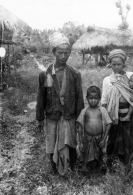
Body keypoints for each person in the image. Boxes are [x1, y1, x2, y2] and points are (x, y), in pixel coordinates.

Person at [36, 32, 84, 175]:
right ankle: (54, 167)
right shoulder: (45, 74)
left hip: (69, 115)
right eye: (60, 53)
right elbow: (41, 97)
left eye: (66, 53)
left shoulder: (75, 74)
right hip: (52, 115)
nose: (63, 56)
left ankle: (72, 166)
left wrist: (79, 119)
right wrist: (39, 118)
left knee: (70, 141)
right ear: (54, 53)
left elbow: (79, 97)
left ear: (70, 53)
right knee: (52, 142)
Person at [101, 49, 133, 174]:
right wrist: (104, 116)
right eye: (113, 64)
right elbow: (104, 99)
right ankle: (112, 167)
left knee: (129, 140)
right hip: (114, 115)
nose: (116, 67)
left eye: (119, 64)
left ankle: (128, 167)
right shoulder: (107, 80)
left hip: (129, 115)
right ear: (110, 64)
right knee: (113, 141)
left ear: (124, 64)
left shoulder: (131, 76)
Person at [76, 86, 112, 173]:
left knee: (99, 154)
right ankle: (85, 167)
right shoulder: (84, 111)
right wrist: (80, 142)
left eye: (95, 98)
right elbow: (80, 126)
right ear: (87, 98)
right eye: (90, 98)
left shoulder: (102, 110)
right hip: (87, 138)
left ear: (99, 98)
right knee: (86, 154)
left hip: (99, 138)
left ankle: (100, 168)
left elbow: (109, 123)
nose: (93, 101)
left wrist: (104, 139)